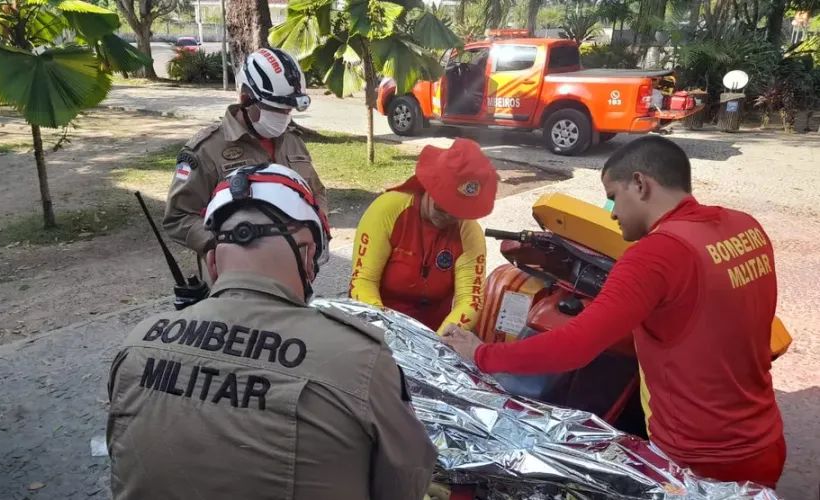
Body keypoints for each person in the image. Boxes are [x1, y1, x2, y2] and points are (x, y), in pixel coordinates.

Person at [442, 135, 786, 488]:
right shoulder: (746, 228)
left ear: (639, 183)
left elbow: (573, 347)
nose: (614, 213)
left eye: (613, 198)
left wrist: (481, 353)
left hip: (700, 462)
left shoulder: (656, 255)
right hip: (764, 444)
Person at [108, 164, 436, 500]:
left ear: (212, 263)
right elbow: (407, 481)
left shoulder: (136, 344)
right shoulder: (360, 359)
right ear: (308, 254)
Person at [163, 47, 328, 258]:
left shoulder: (293, 142)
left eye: (287, 110)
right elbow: (178, 217)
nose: (283, 117)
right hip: (236, 276)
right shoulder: (206, 150)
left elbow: (316, 191)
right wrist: (225, 243)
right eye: (274, 109)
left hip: (295, 269)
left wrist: (317, 221)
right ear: (245, 98)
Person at [349, 138, 498, 335]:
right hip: (380, 326)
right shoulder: (387, 210)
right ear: (430, 186)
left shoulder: (469, 231)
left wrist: (437, 342)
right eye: (443, 207)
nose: (449, 217)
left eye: (459, 212)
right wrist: (386, 329)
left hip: (434, 333)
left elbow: (470, 301)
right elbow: (363, 281)